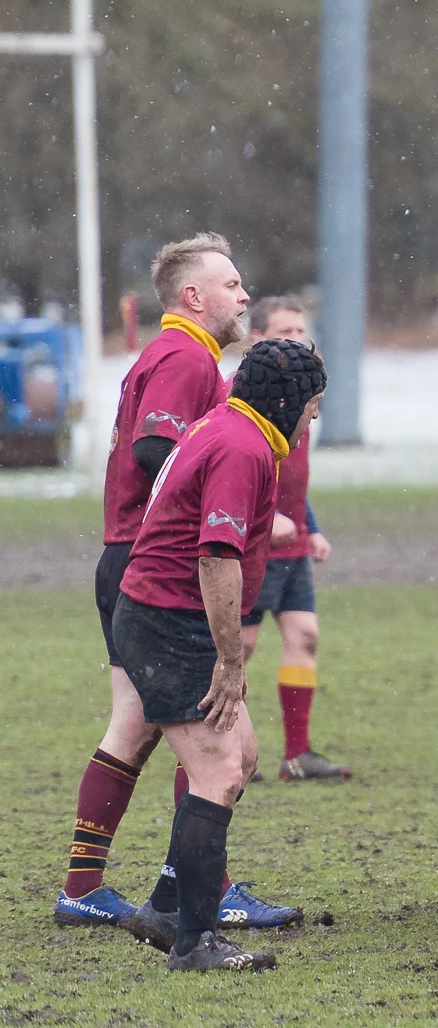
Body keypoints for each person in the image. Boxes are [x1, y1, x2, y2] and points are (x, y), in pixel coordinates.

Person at [59, 233, 300, 938]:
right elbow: (156, 448)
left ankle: (96, 886)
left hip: (133, 561)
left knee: (138, 727)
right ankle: (195, 891)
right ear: (192, 297)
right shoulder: (183, 355)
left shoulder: (181, 355)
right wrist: (209, 515)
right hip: (156, 571)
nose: (244, 296)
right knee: (213, 734)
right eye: (231, 284)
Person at [113, 337, 325, 970]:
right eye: (312, 407)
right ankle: (194, 941)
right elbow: (215, 557)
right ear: (287, 402)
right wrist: (231, 660)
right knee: (219, 774)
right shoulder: (242, 447)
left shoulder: (231, 424)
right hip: (167, 623)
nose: (314, 419)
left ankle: (166, 907)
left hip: (169, 618)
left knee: (246, 756)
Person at [236, 297, 348, 782]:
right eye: (287, 331)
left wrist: (312, 526)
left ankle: (297, 756)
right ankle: (229, 750)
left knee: (304, 636)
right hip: (249, 547)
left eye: (302, 331)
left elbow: (290, 484)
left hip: (293, 545)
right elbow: (233, 483)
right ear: (256, 340)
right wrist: (263, 523)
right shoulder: (244, 401)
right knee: (238, 648)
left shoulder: (302, 399)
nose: (299, 340)